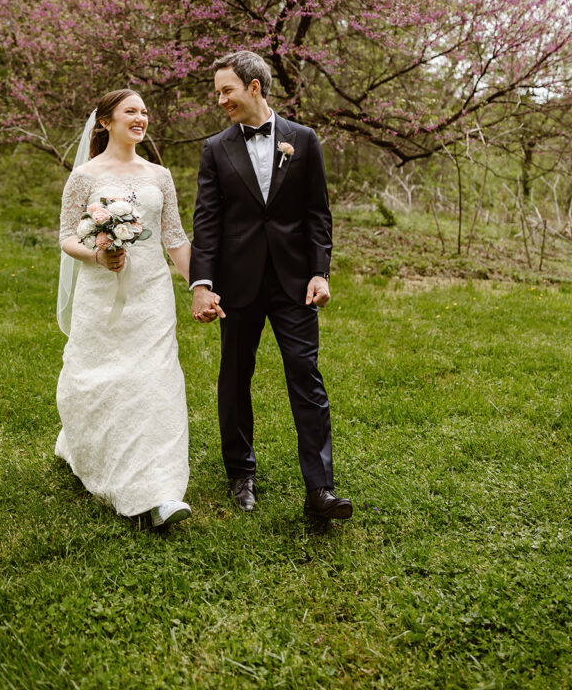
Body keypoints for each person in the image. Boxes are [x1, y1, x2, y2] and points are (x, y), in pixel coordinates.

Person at [190, 51, 352, 519]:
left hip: (294, 283)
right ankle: (241, 474)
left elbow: (317, 215)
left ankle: (320, 489)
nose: (221, 100)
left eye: (227, 90)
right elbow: (208, 221)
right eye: (218, 92)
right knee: (235, 378)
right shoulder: (216, 149)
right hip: (236, 285)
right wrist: (203, 283)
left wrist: (320, 271)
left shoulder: (303, 139)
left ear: (255, 87)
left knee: (306, 376)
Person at [56, 89, 192, 527]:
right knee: (100, 378)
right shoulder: (84, 176)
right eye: (130, 112)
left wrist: (201, 285)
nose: (141, 118)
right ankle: (88, 450)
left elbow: (173, 237)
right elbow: (66, 237)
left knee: (156, 381)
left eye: (145, 112)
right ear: (105, 122)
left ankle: (160, 491)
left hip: (152, 293)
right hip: (100, 292)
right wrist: (98, 254)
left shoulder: (160, 175)